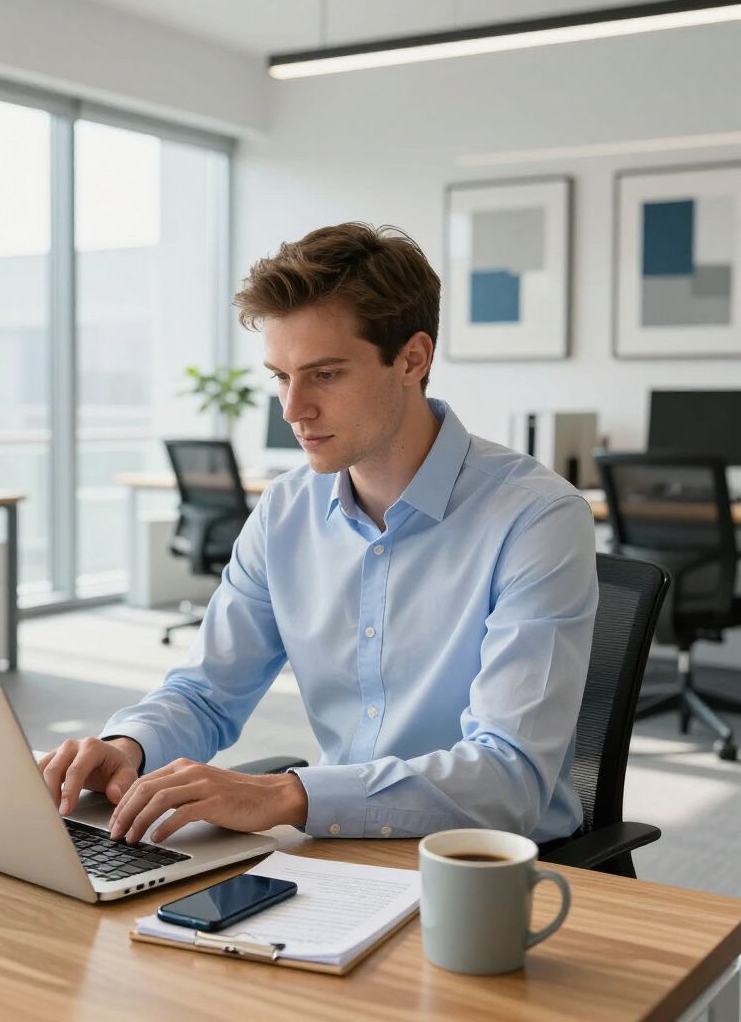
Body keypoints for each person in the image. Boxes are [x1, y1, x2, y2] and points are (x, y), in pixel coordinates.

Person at [39, 222, 598, 848]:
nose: (292, 409)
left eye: (325, 375)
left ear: (413, 359)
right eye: (280, 376)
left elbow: (509, 777)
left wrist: (287, 793)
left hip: (489, 865)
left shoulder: (537, 517)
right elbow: (206, 692)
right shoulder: (285, 511)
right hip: (338, 844)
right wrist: (128, 745)